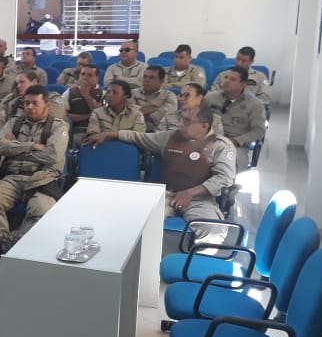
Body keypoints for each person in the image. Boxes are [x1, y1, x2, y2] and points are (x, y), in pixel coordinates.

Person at [86, 106, 235, 224]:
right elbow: (139, 137)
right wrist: (108, 134)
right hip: (166, 195)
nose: (180, 124)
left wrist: (190, 193)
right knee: (138, 221)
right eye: (181, 119)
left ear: (204, 126)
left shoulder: (220, 146)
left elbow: (225, 178)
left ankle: (197, 254)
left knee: (211, 230)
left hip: (200, 199)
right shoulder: (170, 137)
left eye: (187, 121)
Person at [0, 85, 69, 280]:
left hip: (43, 178)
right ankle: (1, 244)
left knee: (39, 209)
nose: (29, 107)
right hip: (13, 175)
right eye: (26, 103)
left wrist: (15, 147)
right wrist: (32, 146)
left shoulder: (58, 126)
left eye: (34, 103)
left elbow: (52, 155)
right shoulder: (14, 122)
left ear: (47, 105)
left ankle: (13, 249)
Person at [204, 67, 266, 171]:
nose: (227, 81)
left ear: (243, 84)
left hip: (236, 145)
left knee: (229, 165)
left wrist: (236, 141)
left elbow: (258, 131)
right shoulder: (210, 98)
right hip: (209, 140)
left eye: (232, 79)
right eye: (226, 77)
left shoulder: (255, 104)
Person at [62, 64, 103, 147]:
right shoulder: (70, 92)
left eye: (89, 75)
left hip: (97, 133)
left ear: (97, 78)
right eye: (83, 74)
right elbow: (63, 114)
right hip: (74, 131)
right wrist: (88, 115)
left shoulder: (103, 93)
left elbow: (101, 116)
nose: (85, 77)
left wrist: (86, 95)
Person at [158, 83, 224, 134]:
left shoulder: (214, 120)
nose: (181, 99)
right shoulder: (169, 117)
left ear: (200, 98)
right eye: (181, 95)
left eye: (187, 95)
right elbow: (157, 139)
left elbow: (217, 143)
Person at [132, 66, 178, 132]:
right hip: (135, 130)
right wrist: (155, 110)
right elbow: (130, 113)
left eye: (151, 77)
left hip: (159, 132)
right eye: (145, 77)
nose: (147, 80)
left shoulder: (169, 95)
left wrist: (142, 113)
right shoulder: (133, 93)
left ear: (161, 81)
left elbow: (167, 117)